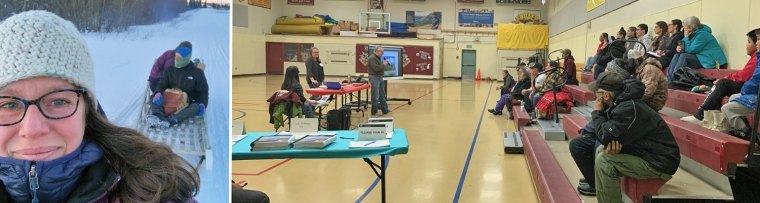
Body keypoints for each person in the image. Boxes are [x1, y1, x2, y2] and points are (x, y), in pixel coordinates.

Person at [0, 10, 199, 202]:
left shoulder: (153, 194)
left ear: (88, 110)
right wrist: (157, 91)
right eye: (9, 105)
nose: (32, 129)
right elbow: (157, 77)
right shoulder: (166, 59)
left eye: (59, 101)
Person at [581, 72, 680, 202]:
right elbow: (612, 138)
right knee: (601, 151)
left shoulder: (627, 108)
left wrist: (597, 113)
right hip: (646, 153)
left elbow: (605, 136)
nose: (595, 96)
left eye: (597, 93)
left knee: (605, 161)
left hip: (659, 162)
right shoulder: (622, 102)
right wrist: (617, 147)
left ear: (605, 95)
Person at [682, 28, 760, 125]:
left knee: (723, 84)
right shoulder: (756, 57)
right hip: (749, 89)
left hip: (751, 92)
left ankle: (700, 115)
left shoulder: (757, 58)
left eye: (749, 42)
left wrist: (725, 78)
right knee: (720, 85)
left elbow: (744, 76)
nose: (746, 45)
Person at [148, 41, 210, 128]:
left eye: (179, 58)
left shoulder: (197, 73)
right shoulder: (169, 70)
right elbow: (162, 84)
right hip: (169, 98)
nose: (176, 60)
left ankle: (171, 120)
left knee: (195, 107)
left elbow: (203, 91)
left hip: (185, 104)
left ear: (187, 59)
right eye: (176, 57)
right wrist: (158, 92)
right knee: (153, 98)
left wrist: (203, 103)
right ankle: (159, 117)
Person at [368, 47, 391, 116]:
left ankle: (385, 110)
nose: (382, 54)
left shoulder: (377, 57)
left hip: (379, 77)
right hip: (374, 77)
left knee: (382, 95)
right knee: (375, 96)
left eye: (383, 52)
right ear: (377, 51)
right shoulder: (372, 58)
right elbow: (376, 68)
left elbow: (379, 67)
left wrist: (384, 65)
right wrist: (383, 64)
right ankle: (374, 112)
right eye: (382, 52)